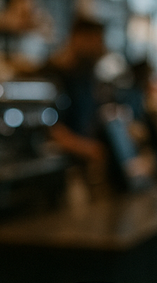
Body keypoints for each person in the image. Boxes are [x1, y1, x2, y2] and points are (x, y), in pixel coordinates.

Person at [44, 17, 110, 174]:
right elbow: (49, 127)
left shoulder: (87, 74)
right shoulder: (52, 75)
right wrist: (87, 148)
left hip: (82, 166)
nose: (101, 48)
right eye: (96, 41)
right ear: (77, 38)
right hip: (58, 167)